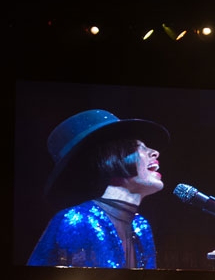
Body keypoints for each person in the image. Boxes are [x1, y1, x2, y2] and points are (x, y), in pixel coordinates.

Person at [27, 109, 169, 268]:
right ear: (110, 157)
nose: (155, 152)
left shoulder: (141, 226)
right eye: (140, 146)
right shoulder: (77, 219)